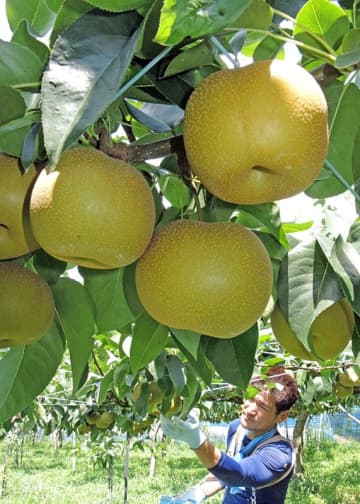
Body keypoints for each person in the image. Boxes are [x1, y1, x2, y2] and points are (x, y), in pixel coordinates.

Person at [160, 366, 299, 504]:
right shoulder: (236, 429)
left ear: (282, 416)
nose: (250, 410)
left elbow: (238, 474)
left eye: (262, 406)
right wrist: (195, 494)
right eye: (250, 399)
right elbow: (226, 472)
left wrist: (197, 441)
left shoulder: (280, 453)